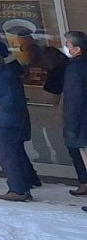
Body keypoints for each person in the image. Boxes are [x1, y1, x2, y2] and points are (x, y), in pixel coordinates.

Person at [0, 41, 34, 201]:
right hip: (10, 120)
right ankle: (24, 185)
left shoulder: (0, 77)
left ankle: (18, 189)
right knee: (15, 153)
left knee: (7, 156)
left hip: (4, 121)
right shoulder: (7, 74)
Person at [50, 30, 87, 197]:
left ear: (77, 49)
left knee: (82, 155)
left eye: (68, 45)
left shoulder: (76, 69)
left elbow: (74, 99)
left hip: (80, 123)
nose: (65, 48)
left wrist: (71, 125)